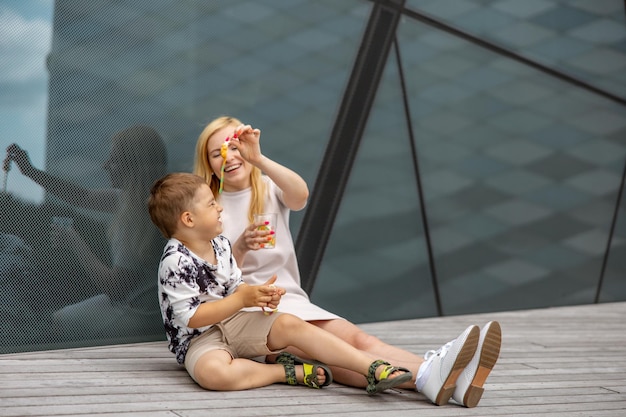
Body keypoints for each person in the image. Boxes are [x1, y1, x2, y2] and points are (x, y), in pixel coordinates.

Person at [193, 116, 502, 407]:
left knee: (358, 339)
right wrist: (242, 246)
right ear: (207, 163)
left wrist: (258, 158)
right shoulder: (211, 206)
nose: (229, 157)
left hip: (291, 299)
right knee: (337, 359)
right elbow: (214, 277)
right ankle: (438, 375)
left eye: (234, 146)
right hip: (252, 312)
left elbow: (300, 196)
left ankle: (443, 377)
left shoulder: (266, 187)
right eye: (217, 153)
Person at [147, 171, 414, 394]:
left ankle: (374, 367)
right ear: (188, 219)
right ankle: (282, 371)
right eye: (210, 204)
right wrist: (241, 299)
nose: (220, 207)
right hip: (199, 339)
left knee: (288, 323)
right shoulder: (175, 261)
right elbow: (191, 318)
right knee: (213, 374)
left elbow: (235, 286)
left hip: (235, 322)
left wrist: (256, 295)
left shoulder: (220, 244)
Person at [4, 125, 167, 339]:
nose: (105, 165)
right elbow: (81, 197)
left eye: (114, 160)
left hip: (141, 314)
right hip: (147, 304)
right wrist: (30, 171)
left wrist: (73, 241)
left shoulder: (138, 216)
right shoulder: (139, 201)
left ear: (132, 166)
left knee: (58, 324)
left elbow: (115, 288)